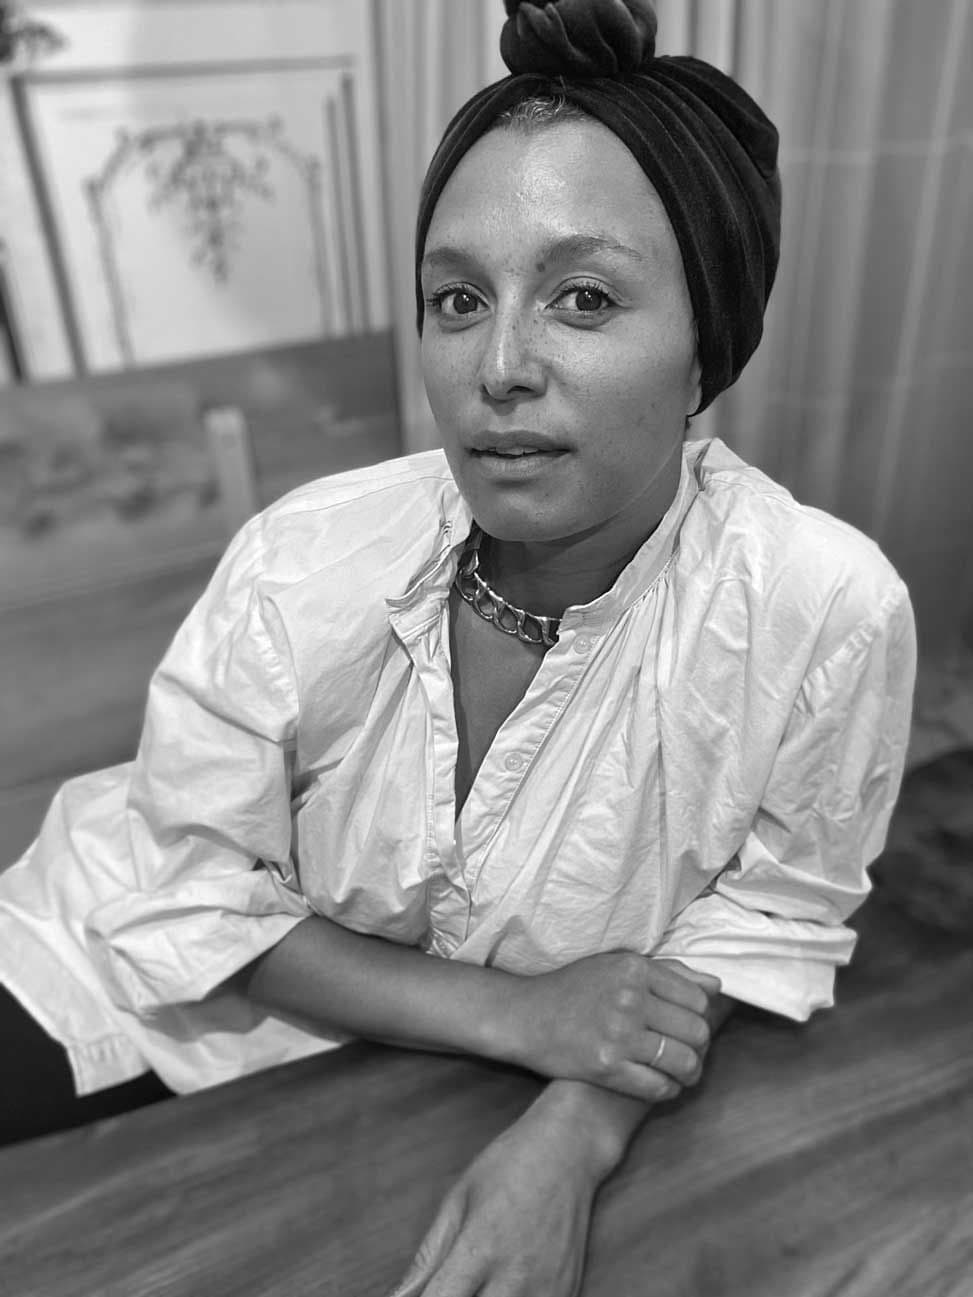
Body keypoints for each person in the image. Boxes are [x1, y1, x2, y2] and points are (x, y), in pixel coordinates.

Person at [0, 1, 915, 1292]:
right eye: (458, 298)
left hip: (401, 1101)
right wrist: (521, 1014)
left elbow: (775, 905)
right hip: (94, 969)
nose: (497, 366)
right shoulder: (305, 558)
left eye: (583, 297)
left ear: (707, 343)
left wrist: (580, 1127)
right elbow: (181, 892)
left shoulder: (822, 611)